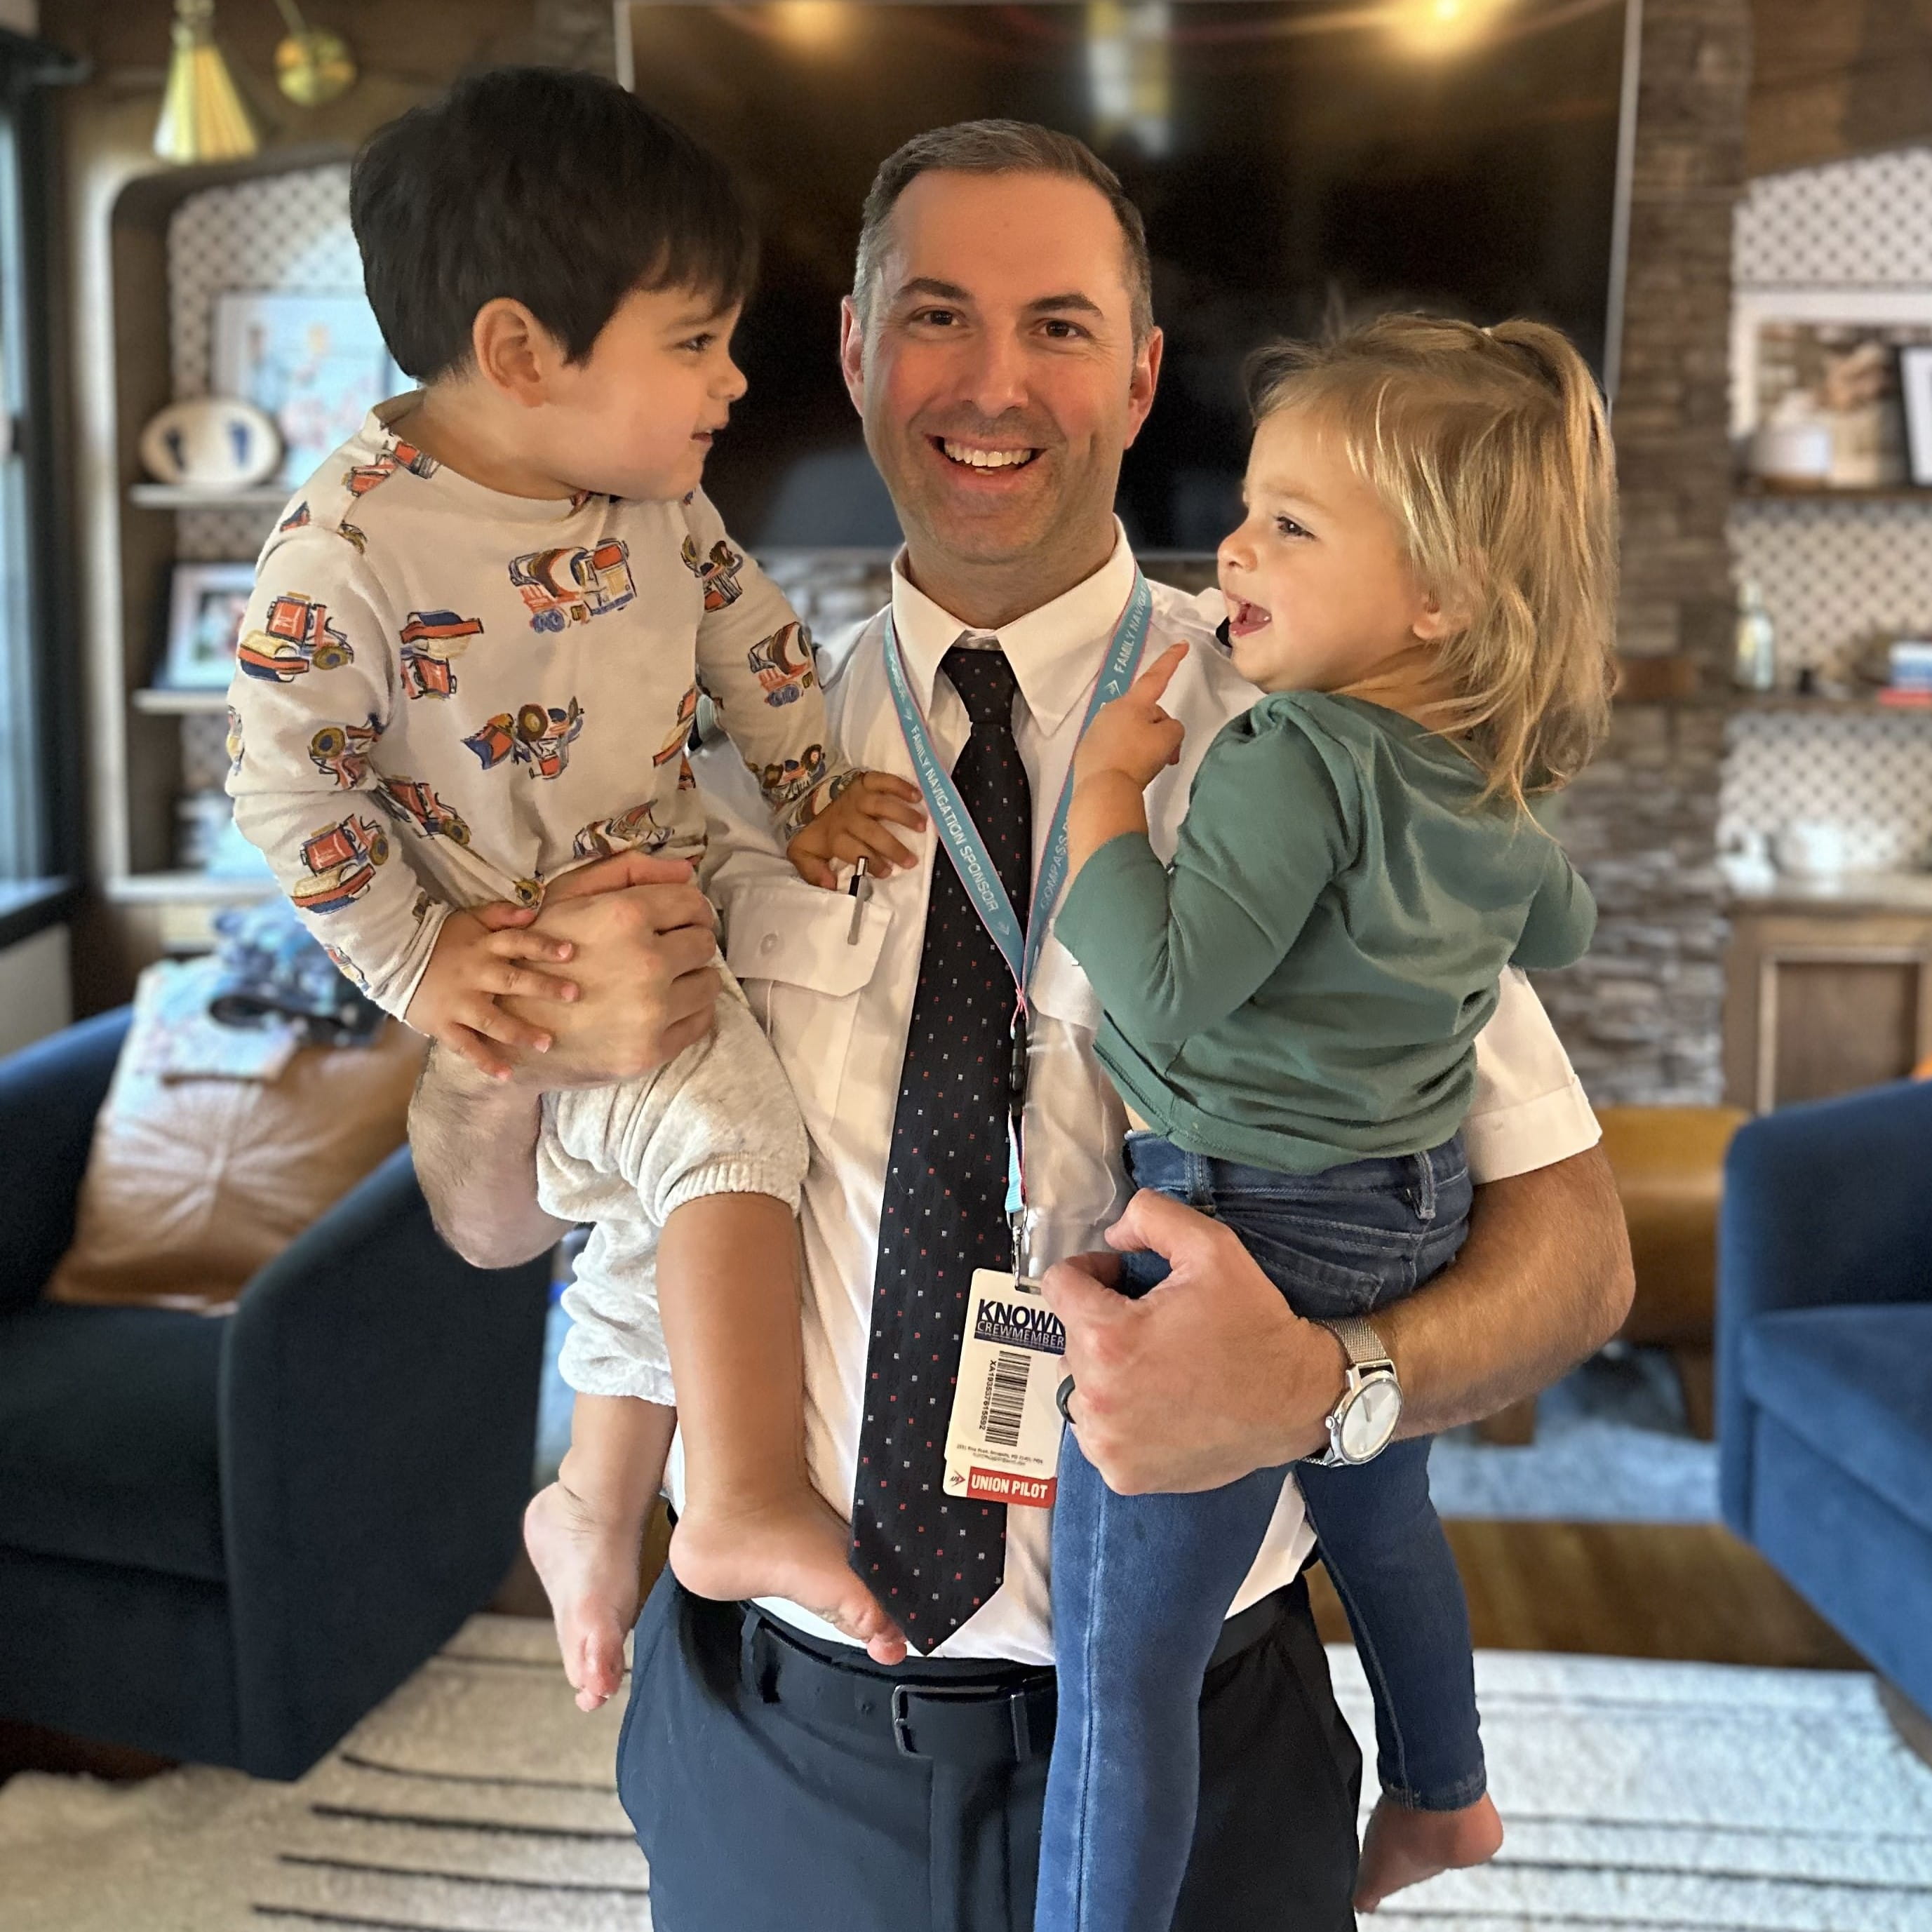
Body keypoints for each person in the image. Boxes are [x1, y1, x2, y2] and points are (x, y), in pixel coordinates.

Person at [408, 119, 1636, 1932]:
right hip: (784, 1744)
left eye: (1059, 325)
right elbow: (490, 1213)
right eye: (936, 318)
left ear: (1142, 376)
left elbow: (1584, 1259)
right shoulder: (673, 755)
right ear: (848, 352)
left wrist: (1328, 1383)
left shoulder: (1319, 737)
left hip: (1208, 1752)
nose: (994, 383)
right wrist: (487, 1053)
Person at [223, 68, 927, 1715]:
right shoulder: (347, 559)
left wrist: (816, 796)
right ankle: (734, 1499)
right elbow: (282, 780)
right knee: (730, 1134)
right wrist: (426, 967)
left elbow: (751, 641)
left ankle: (593, 1503)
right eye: (694, 343)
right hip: (533, 955)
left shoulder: (654, 499)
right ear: (523, 351)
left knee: (678, 1197)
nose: (735, 381)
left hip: (672, 868)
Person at [1037, 313, 1616, 1932]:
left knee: (1121, 1672)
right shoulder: (1483, 786)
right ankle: (1445, 1789)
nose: (1232, 546)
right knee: (1385, 1512)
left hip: (1251, 1221)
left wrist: (1105, 797)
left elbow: (1160, 995)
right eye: (1246, 508)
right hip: (1412, 1205)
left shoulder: (1290, 754)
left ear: (1436, 598)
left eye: (1292, 524)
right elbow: (1558, 926)